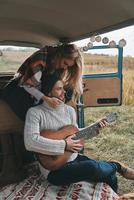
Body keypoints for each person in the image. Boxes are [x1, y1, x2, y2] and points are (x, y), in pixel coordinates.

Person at [24, 72, 134, 193]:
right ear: (48, 92)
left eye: (63, 89)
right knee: (93, 167)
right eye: (59, 89)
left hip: (74, 158)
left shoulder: (69, 111)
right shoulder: (35, 112)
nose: (64, 92)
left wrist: (96, 126)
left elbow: (76, 135)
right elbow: (30, 142)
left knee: (109, 175)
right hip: (54, 170)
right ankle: (116, 165)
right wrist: (64, 145)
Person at [2, 44, 83, 121]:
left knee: (70, 90)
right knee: (30, 114)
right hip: (18, 90)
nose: (65, 67)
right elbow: (27, 85)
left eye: (68, 66)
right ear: (60, 55)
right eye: (65, 63)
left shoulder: (57, 64)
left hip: (38, 88)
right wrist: (46, 99)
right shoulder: (40, 60)